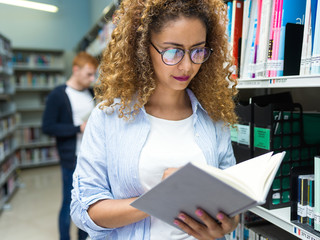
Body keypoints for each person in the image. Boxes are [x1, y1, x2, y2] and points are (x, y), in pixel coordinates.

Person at [70, 0, 240, 239]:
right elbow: (83, 210)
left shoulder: (213, 118)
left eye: (198, 50)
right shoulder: (108, 116)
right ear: (143, 47)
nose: (187, 65)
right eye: (173, 51)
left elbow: (230, 196)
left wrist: (227, 222)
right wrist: (157, 199)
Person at [42, 51, 99, 240]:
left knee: (86, 204)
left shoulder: (91, 93)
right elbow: (48, 127)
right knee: (68, 203)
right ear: (76, 70)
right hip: (71, 158)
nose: (92, 79)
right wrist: (78, 128)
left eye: (94, 75)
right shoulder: (58, 95)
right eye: (88, 74)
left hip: (90, 157)